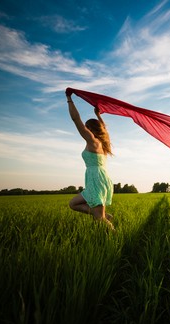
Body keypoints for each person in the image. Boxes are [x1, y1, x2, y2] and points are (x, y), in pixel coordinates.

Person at [66, 89, 115, 231]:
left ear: (90, 129)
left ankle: (116, 235)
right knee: (73, 204)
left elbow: (76, 120)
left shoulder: (93, 141)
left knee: (99, 219)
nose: (84, 130)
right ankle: (102, 215)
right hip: (99, 178)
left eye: (86, 128)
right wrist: (98, 115)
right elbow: (105, 129)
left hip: (96, 180)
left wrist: (69, 99)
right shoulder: (104, 143)